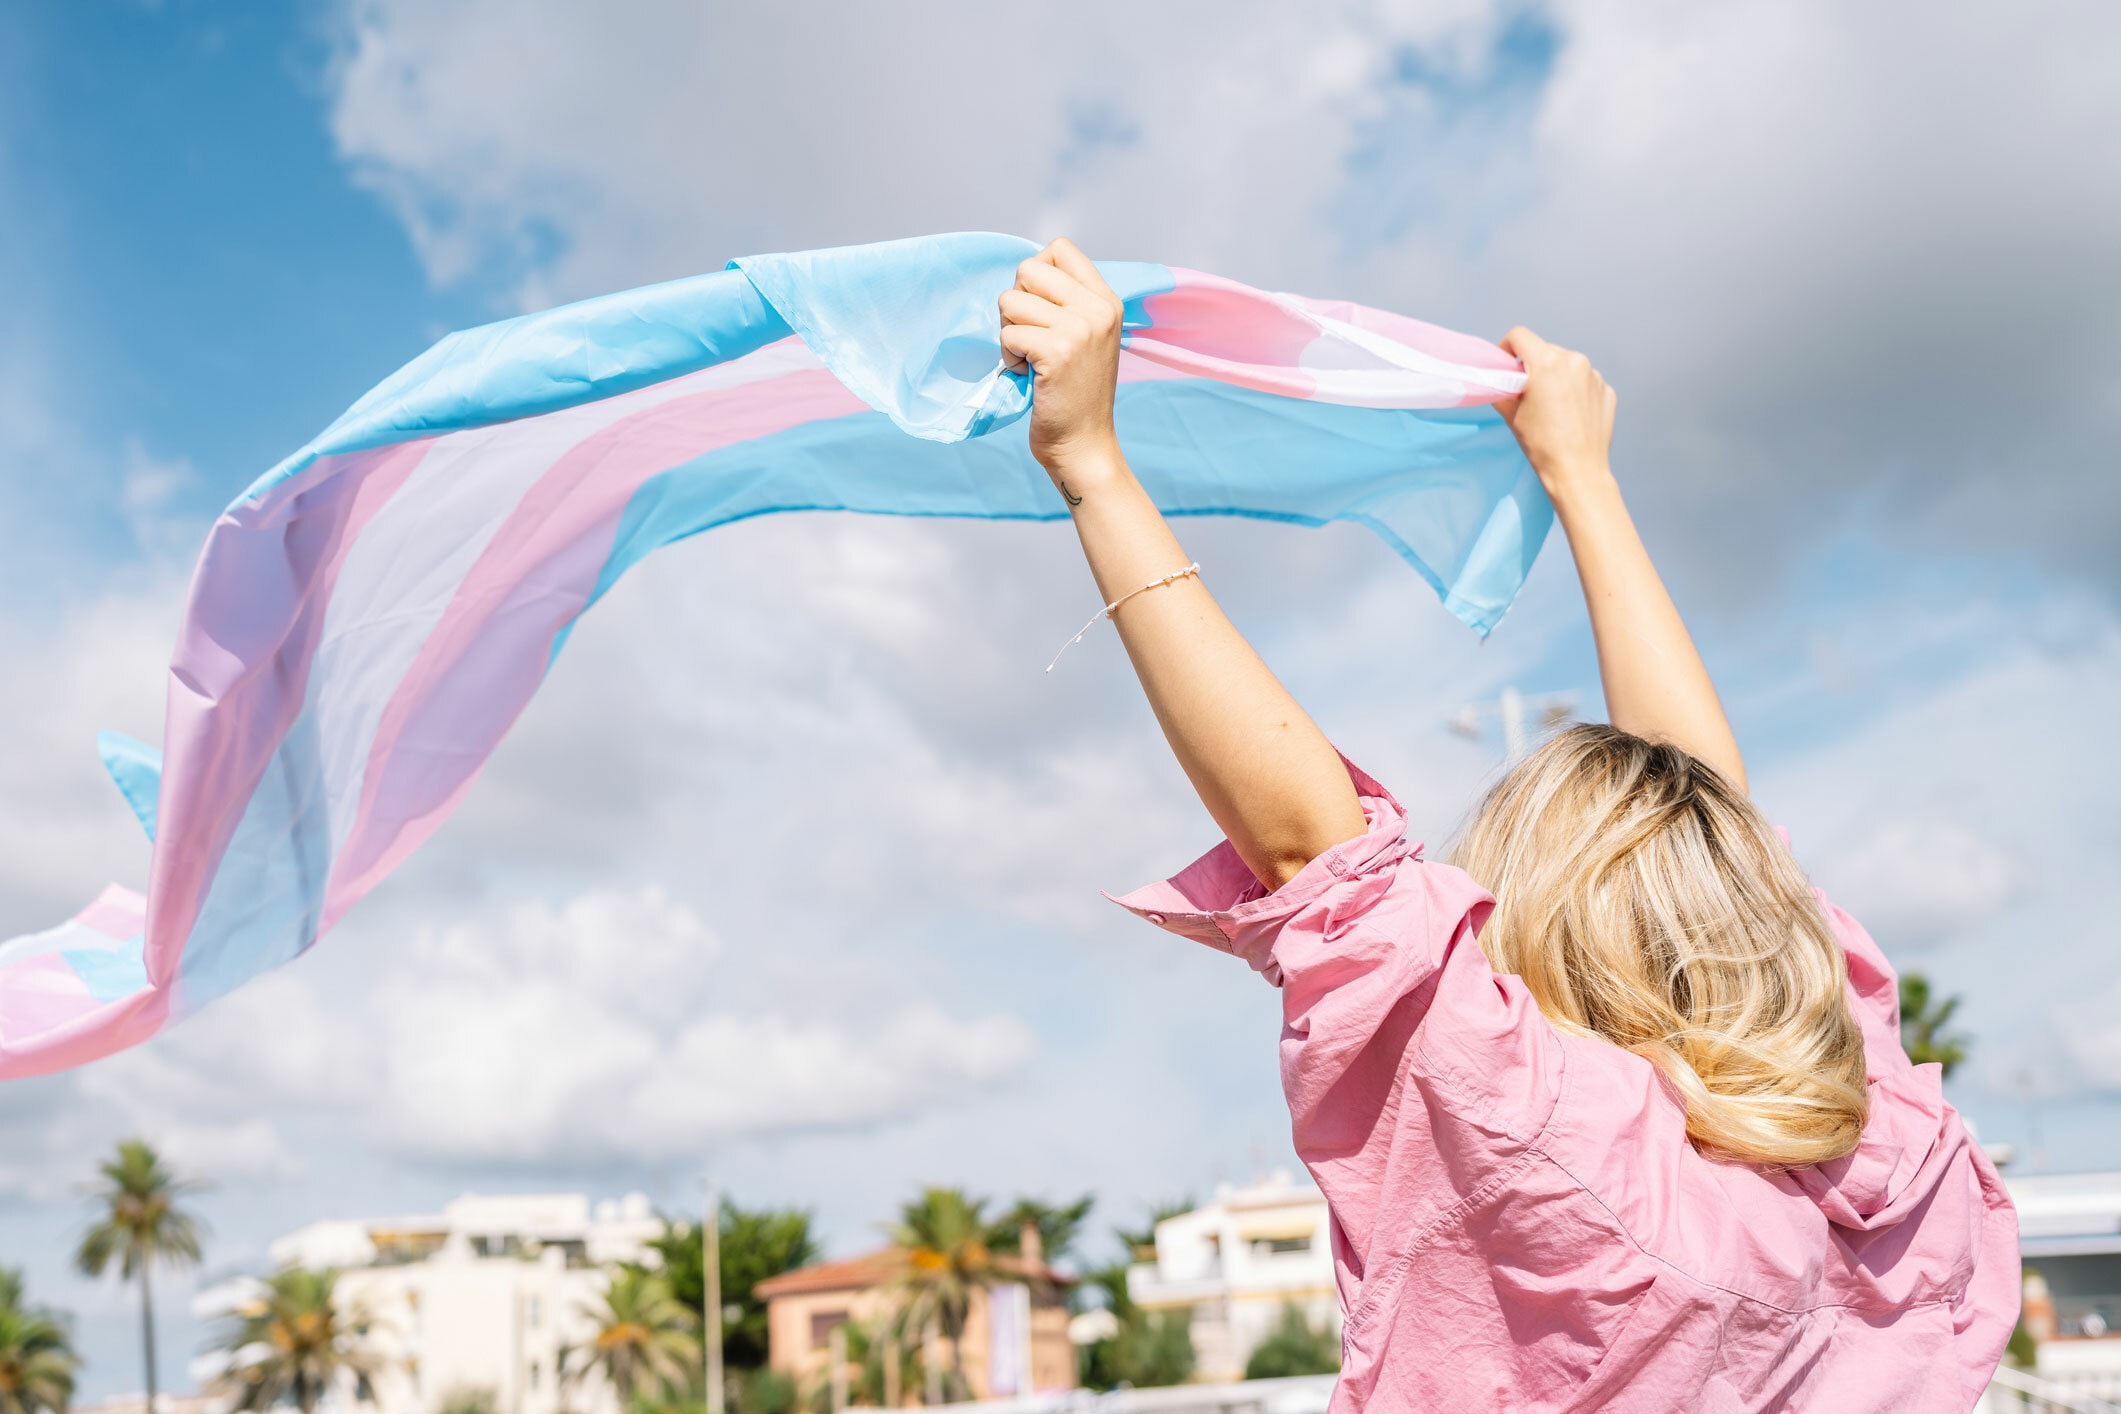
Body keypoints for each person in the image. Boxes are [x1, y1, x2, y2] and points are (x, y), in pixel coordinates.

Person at [999, 240, 2019, 1411]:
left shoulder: (1561, 1154)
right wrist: (1583, 478)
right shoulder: (1898, 1168)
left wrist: (1090, 462)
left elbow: (1311, 854)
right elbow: (1713, 820)